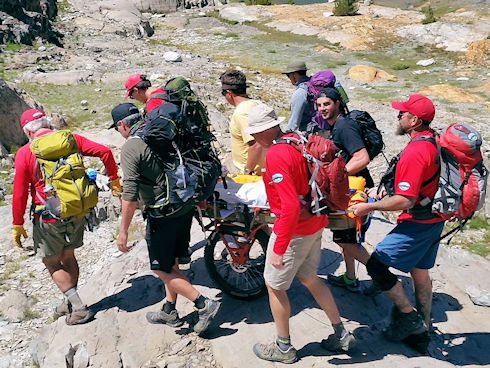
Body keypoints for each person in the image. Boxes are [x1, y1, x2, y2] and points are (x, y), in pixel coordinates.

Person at [246, 103, 356, 364]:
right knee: (310, 278)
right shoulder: (296, 139)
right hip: (316, 221)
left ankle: (283, 348)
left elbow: (290, 206)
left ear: (261, 133)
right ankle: (340, 333)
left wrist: (279, 248)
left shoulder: (275, 155)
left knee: (274, 285)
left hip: (295, 229)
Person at [111, 102, 220, 334]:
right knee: (171, 262)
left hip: (163, 212)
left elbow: (129, 194)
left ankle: (203, 304)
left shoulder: (132, 146)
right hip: (184, 205)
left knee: (161, 268)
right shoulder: (161, 131)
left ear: (122, 125)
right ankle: (169, 309)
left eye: (116, 128)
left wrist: (123, 231)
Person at [12, 108, 121, 325]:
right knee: (68, 256)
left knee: (51, 261)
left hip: (48, 217)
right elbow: (105, 152)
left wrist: (17, 224)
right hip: (76, 210)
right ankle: (69, 299)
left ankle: (78, 307)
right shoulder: (70, 139)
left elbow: (20, 192)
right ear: (46, 123)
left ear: (27, 131)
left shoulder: (25, 153)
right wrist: (114, 180)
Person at [351, 94, 443, 344]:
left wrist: (369, 207)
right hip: (434, 218)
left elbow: (405, 200)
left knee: (377, 266)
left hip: (417, 223)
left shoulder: (416, 151)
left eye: (402, 113)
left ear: (414, 120)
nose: (398, 116)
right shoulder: (432, 139)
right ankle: (423, 329)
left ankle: (408, 316)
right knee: (420, 271)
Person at [314, 88, 373, 293]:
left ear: (337, 104)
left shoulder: (344, 126)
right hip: (349, 187)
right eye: (319, 105)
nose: (322, 109)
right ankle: (350, 278)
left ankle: (382, 276)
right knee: (345, 239)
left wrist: (337, 175)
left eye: (327, 104)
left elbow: (362, 157)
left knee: (347, 241)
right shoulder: (335, 125)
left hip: (352, 190)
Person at [220, 70, 264, 175]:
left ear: (229, 93)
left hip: (253, 174)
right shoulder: (258, 104)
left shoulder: (241, 113)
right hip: (266, 169)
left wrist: (247, 171)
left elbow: (256, 144)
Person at [282, 61, 313, 132]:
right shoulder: (311, 86)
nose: (288, 78)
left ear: (294, 75)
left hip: (310, 134)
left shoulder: (300, 93)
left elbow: (293, 124)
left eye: (288, 75)